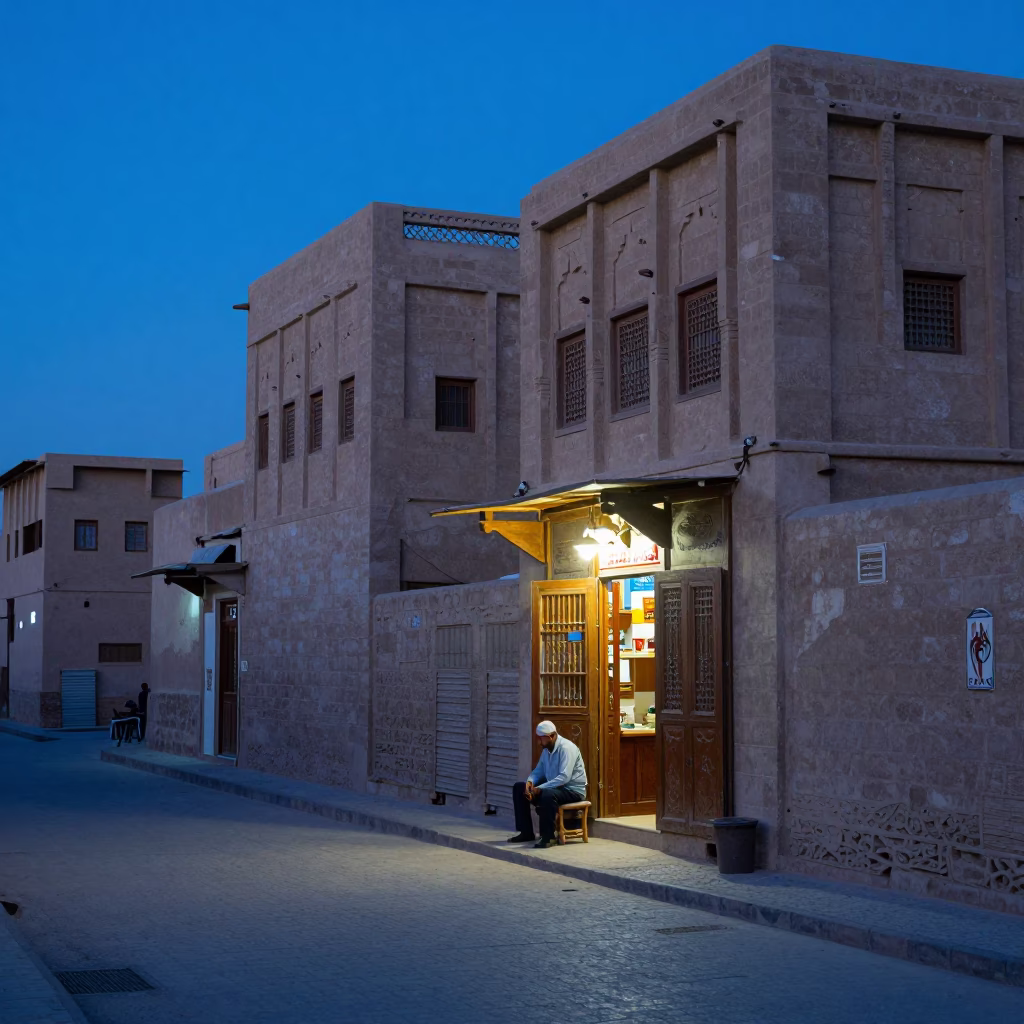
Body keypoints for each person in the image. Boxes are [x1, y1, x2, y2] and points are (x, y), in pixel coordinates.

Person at [508, 721, 587, 849]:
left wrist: (540, 788)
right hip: (556, 788)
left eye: (541, 738)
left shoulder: (567, 748)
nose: (539, 742)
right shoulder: (547, 750)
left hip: (572, 791)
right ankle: (526, 832)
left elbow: (564, 777)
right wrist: (530, 782)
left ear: (551, 736)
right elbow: (539, 770)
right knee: (519, 787)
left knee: (547, 794)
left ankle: (548, 837)